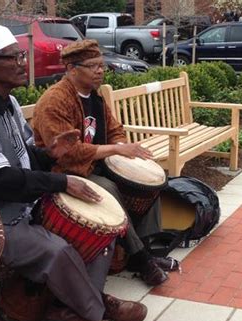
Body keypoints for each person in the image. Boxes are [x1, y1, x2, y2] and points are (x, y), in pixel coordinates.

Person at [0, 25, 148, 321]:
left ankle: (67, 306)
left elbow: (23, 159)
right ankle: (96, 307)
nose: (23, 63)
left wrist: (50, 155)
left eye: (21, 55)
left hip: (21, 204)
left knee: (99, 233)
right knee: (58, 250)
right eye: (13, 58)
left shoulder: (8, 104)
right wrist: (62, 182)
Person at [33, 40, 178, 287]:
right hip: (66, 172)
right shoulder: (55, 101)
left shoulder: (94, 97)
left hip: (96, 164)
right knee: (109, 189)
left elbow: (115, 131)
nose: (100, 71)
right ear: (71, 69)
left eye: (101, 65)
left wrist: (122, 153)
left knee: (148, 183)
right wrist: (115, 149)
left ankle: (146, 248)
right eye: (92, 66)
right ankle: (141, 259)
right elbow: (67, 153)